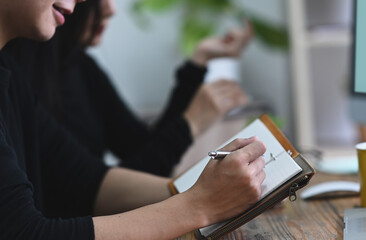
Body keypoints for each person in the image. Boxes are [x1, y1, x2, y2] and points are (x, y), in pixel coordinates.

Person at [0, 0, 266, 239]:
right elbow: (25, 232)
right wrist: (199, 204)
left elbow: (86, 180)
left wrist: (211, 189)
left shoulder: (11, 75)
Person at [6, 0, 253, 177]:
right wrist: (190, 124)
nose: (110, 9)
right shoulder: (17, 75)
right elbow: (87, 196)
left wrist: (198, 61)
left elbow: (136, 153)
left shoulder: (80, 67)